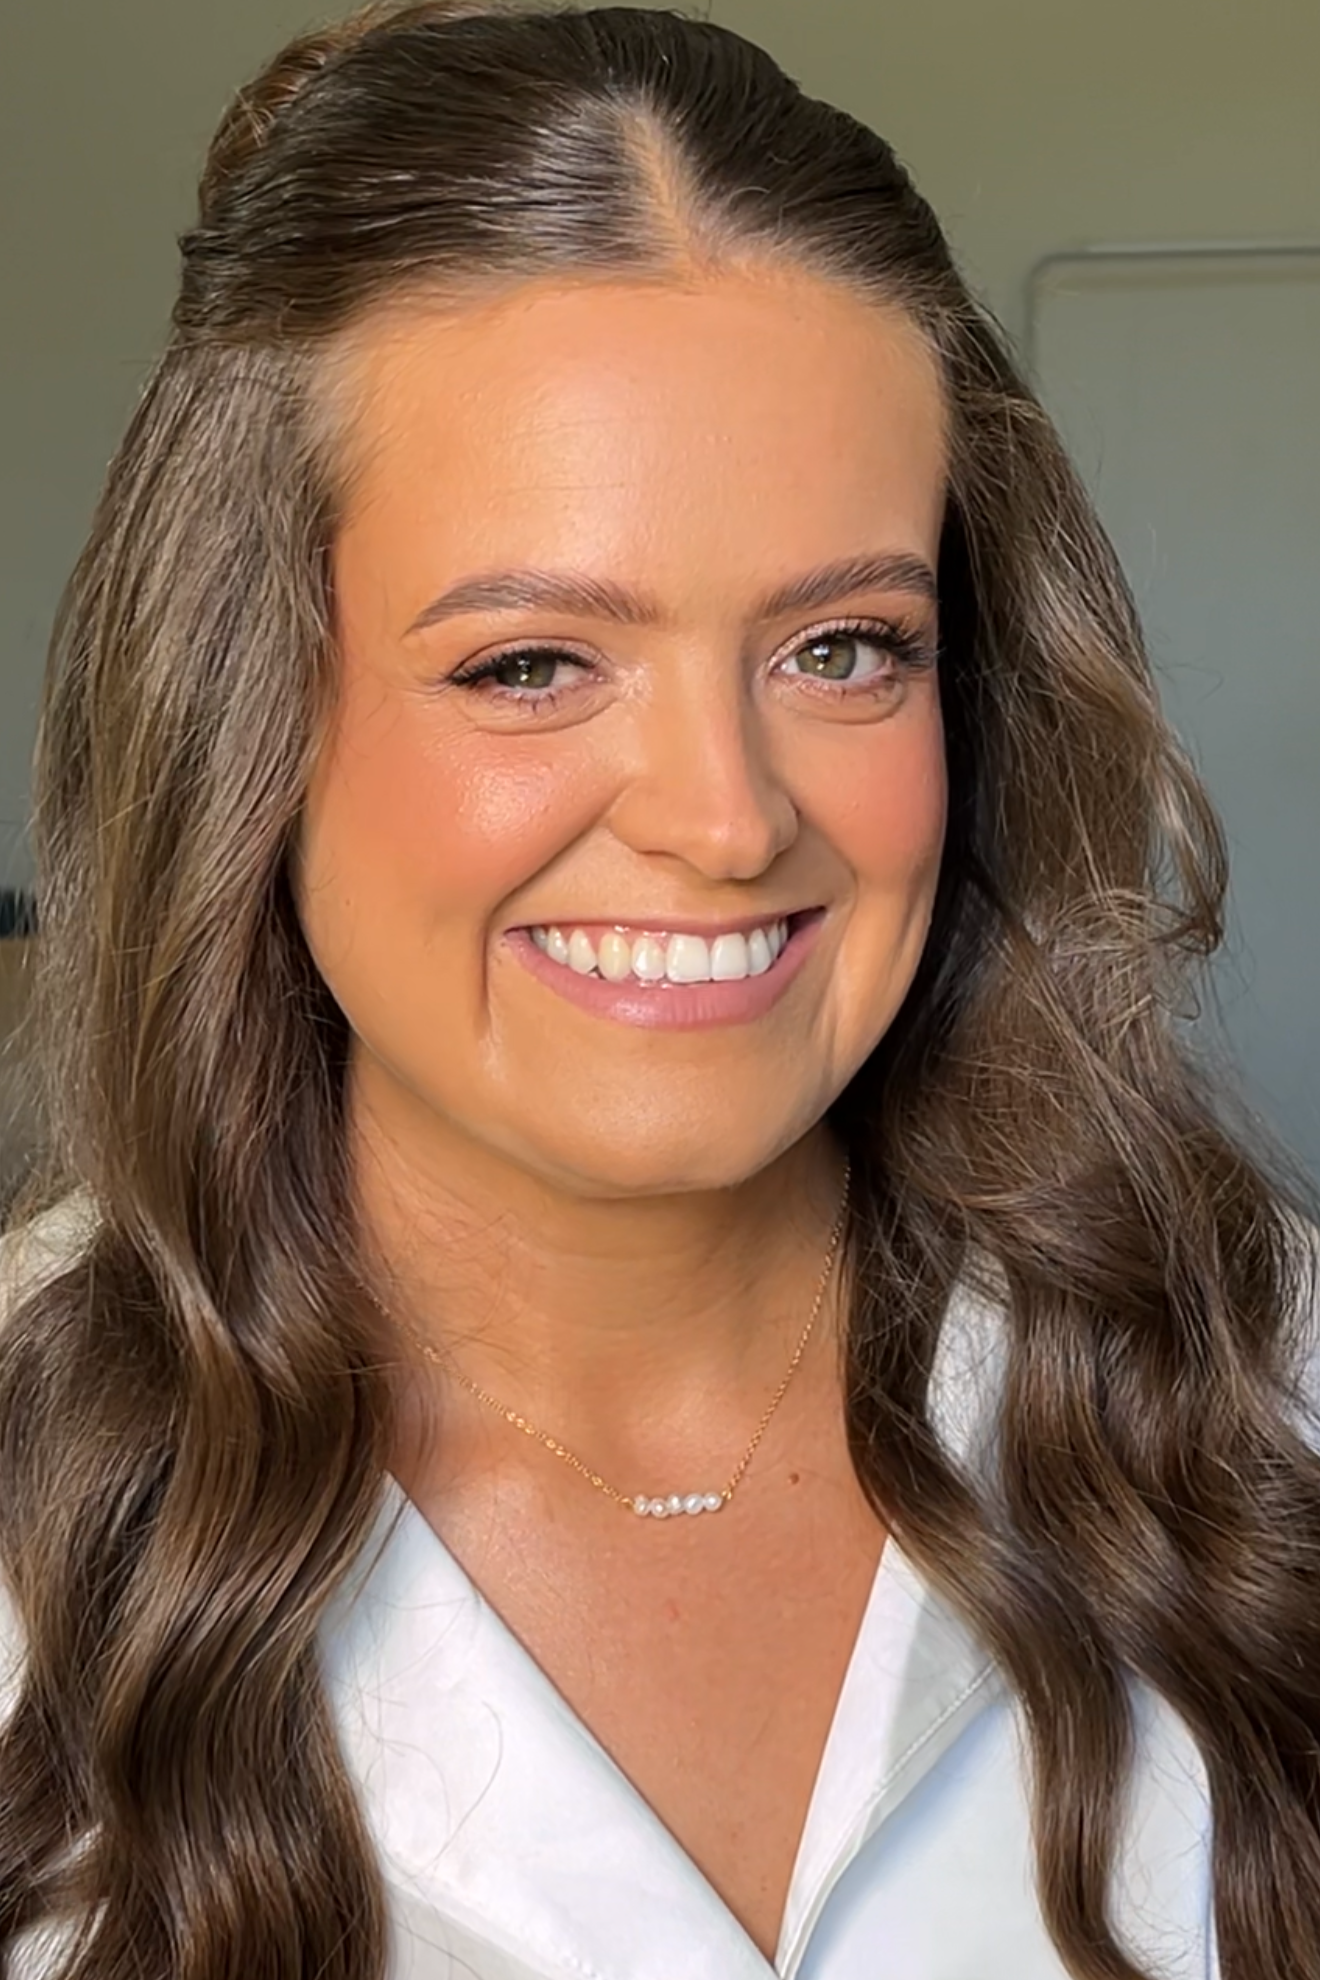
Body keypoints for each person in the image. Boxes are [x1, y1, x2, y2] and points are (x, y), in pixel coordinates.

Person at [1, 4, 1318, 1976]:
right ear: (242, 722)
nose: (724, 823)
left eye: (845, 649)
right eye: (531, 663)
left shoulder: (1275, 1387)